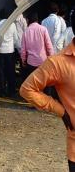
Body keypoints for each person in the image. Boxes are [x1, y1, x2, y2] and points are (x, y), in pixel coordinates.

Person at [20, 9, 75, 172]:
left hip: (32, 61)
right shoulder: (58, 63)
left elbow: (23, 47)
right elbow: (27, 89)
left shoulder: (30, 30)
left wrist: (23, 59)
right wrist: (60, 110)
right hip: (45, 62)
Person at [0, 9, 19, 97]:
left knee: (1, 72)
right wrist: (17, 47)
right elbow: (15, 39)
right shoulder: (12, 24)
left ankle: (2, 91)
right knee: (11, 71)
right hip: (10, 51)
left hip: (0, 52)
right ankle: (12, 90)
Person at [21, 11, 54, 80]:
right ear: (37, 20)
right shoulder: (43, 29)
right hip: (43, 62)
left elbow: (23, 50)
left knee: (33, 84)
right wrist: (51, 58)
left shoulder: (26, 32)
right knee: (44, 83)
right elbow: (49, 46)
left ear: (28, 20)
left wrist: (23, 60)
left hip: (31, 63)